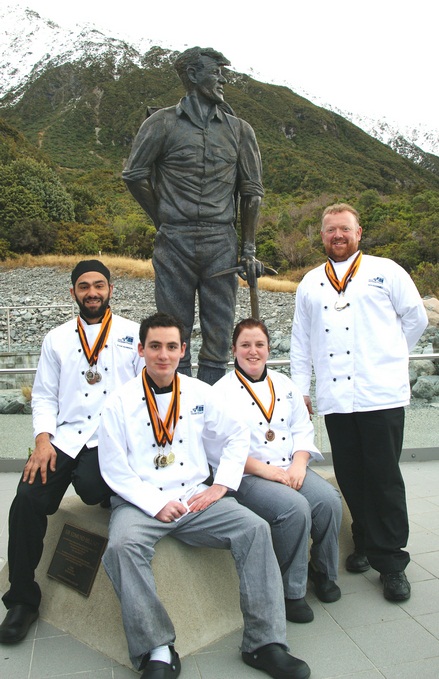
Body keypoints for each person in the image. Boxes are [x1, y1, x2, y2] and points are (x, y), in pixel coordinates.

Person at [98, 312, 311, 679]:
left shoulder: (199, 392)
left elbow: (235, 436)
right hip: (140, 502)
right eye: (154, 346)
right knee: (120, 547)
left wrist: (221, 485)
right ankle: (157, 650)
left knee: (255, 529)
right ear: (140, 350)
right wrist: (154, 503)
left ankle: (265, 644)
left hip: (195, 497)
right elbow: (114, 468)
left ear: (183, 350)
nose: (162, 355)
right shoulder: (119, 401)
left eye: (170, 347)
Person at [290, 203, 428, 602]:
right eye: (331, 230)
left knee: (383, 477)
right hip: (335, 398)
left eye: (345, 229)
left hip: (380, 394)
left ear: (359, 232)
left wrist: (389, 357)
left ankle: (392, 562)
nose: (338, 236)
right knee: (351, 475)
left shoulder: (387, 271)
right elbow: (300, 341)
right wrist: (300, 388)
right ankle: (365, 540)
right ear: (322, 236)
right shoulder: (310, 283)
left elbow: (415, 319)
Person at [0, 260, 143, 644]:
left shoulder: (133, 334)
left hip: (110, 438)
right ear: (73, 293)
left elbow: (148, 394)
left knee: (94, 489)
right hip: (66, 436)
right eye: (84, 286)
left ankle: (106, 492)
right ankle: (22, 600)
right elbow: (44, 396)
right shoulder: (57, 338)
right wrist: (42, 441)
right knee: (27, 498)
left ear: (111, 289)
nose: (92, 292)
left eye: (99, 285)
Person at [122, 46, 264, 385]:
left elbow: (252, 191)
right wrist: (164, 221)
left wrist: (248, 249)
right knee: (173, 329)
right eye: (215, 72)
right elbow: (134, 175)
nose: (222, 79)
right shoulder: (161, 123)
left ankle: (212, 403)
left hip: (220, 241)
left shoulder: (239, 130)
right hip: (175, 241)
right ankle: (178, 401)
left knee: (219, 328)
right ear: (192, 75)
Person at [208, 318, 342, 624]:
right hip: (248, 475)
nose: (252, 352)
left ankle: (321, 571)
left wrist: (299, 462)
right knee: (294, 509)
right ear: (233, 350)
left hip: (289, 466)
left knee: (328, 501)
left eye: (259, 345)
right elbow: (220, 448)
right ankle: (290, 591)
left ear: (268, 349)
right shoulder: (220, 392)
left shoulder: (285, 385)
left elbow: (302, 428)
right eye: (245, 345)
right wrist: (268, 473)